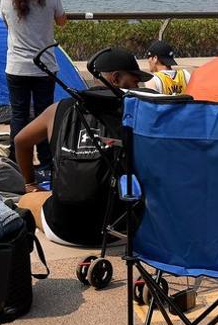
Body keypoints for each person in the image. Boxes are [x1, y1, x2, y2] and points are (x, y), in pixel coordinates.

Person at [14, 48, 149, 246]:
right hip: (122, 231)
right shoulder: (138, 111)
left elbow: (20, 141)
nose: (139, 84)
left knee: (27, 200)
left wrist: (30, 183)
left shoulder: (58, 109)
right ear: (116, 78)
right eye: (135, 79)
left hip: (63, 229)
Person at [0, 0, 68, 172]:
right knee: (44, 114)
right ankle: (47, 162)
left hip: (16, 66)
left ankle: (17, 162)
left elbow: (5, 22)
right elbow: (62, 22)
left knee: (18, 114)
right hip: (44, 66)